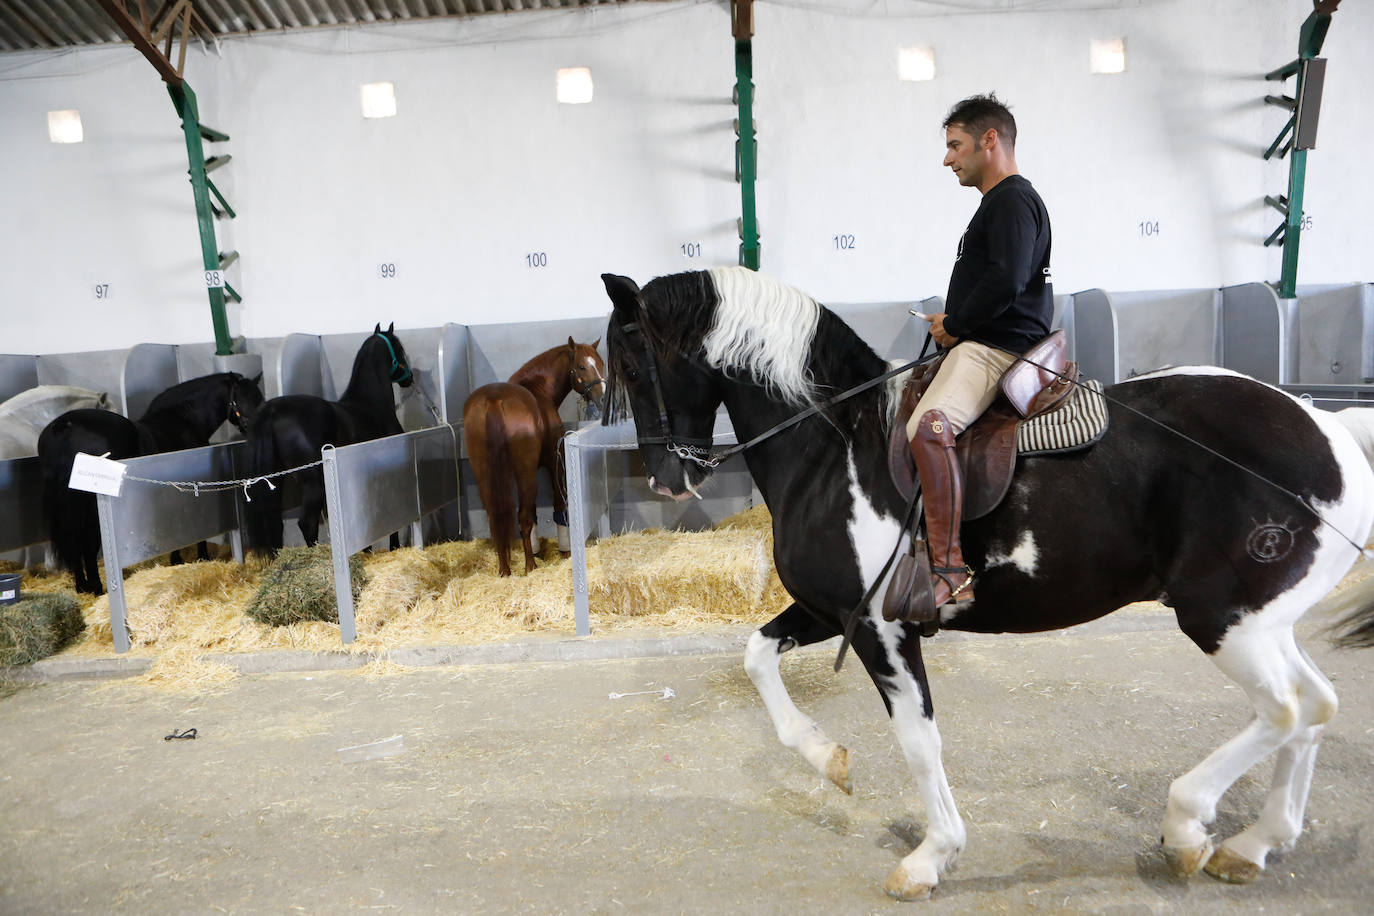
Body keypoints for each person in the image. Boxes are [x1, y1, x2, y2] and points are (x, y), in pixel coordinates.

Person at [899, 93, 1053, 615]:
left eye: (955, 146)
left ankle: (948, 569)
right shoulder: (1003, 202)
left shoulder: (1010, 200)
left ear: (990, 141)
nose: (948, 159)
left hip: (994, 348)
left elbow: (1007, 280)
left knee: (927, 428)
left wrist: (958, 324)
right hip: (984, 338)